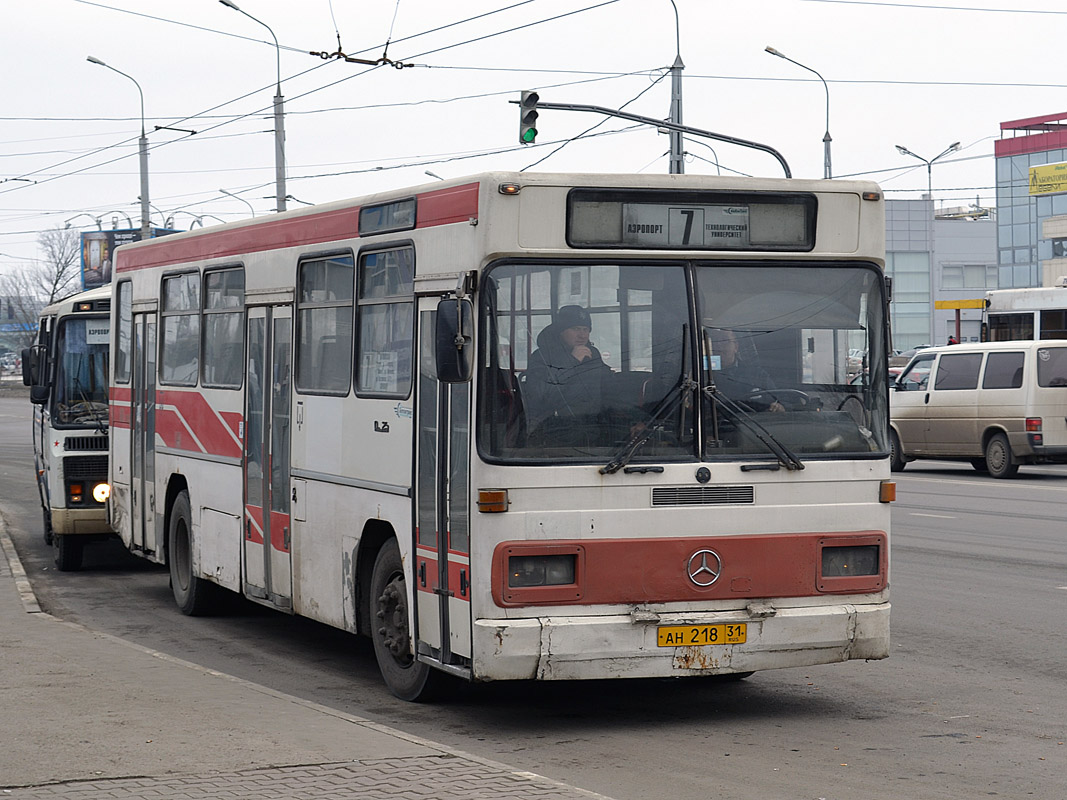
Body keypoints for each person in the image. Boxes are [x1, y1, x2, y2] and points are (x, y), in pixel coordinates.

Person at [524, 305, 613, 446]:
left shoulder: (592, 354)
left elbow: (608, 389)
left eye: (586, 330)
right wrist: (571, 361)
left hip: (594, 429)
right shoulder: (542, 356)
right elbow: (541, 395)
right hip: (555, 430)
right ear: (561, 331)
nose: (582, 335)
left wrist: (638, 417)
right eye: (576, 329)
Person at [706, 328, 784, 412]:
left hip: (751, 423)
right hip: (713, 423)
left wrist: (778, 407)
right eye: (714, 341)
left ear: (736, 346)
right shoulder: (702, 375)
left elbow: (779, 402)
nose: (719, 345)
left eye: (725, 340)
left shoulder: (757, 374)